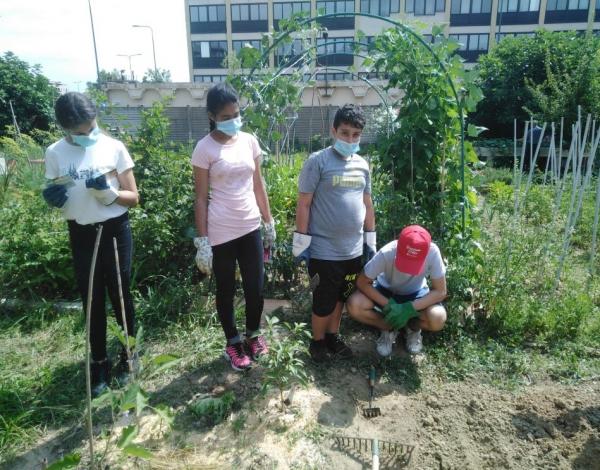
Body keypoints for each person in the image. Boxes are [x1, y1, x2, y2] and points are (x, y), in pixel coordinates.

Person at [42, 92, 139, 396]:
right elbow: (58, 191)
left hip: (114, 230)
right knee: (92, 299)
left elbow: (133, 197)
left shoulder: (113, 147)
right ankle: (99, 362)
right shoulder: (55, 153)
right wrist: (52, 199)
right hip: (81, 232)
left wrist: (110, 195)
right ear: (65, 128)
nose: (86, 135)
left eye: (90, 127)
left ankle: (130, 354)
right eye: (78, 132)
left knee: (121, 293)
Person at [192, 83, 276, 371]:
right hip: (221, 231)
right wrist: (202, 241)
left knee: (256, 286)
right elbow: (201, 198)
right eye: (226, 116)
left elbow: (258, 183)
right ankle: (233, 343)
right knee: (225, 289)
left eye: (236, 114)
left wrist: (269, 220)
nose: (233, 120)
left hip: (250, 225)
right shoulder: (204, 148)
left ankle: (253, 335)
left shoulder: (249, 141)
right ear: (212, 116)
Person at [293, 104, 376, 362]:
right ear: (334, 131)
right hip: (323, 250)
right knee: (323, 300)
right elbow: (304, 203)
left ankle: (332, 336)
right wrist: (301, 242)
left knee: (341, 296)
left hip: (351, 251)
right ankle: (317, 342)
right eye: (345, 133)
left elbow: (367, 202)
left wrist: (370, 239)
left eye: (355, 135)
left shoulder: (362, 165)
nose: (350, 139)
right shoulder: (317, 161)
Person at [347, 225, 447, 357]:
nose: (407, 269)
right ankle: (387, 327)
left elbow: (441, 291)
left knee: (438, 317)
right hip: (385, 291)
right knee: (354, 304)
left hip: (416, 294)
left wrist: (409, 308)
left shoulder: (433, 252)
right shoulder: (387, 252)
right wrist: (389, 305)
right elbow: (362, 281)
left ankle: (413, 327)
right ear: (398, 245)